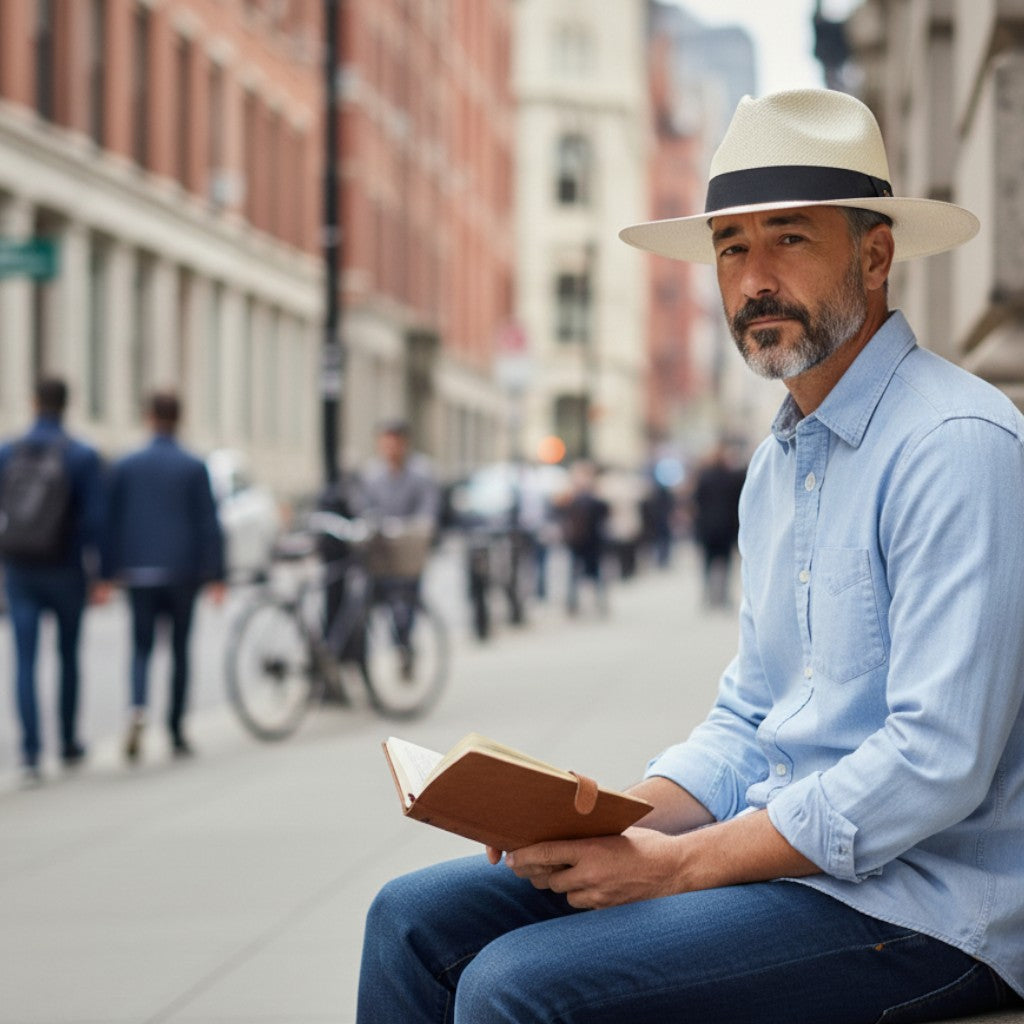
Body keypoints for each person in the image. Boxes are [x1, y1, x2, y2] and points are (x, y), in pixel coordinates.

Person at [356, 89, 1024, 1022]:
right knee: (411, 921)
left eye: (788, 239)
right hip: (790, 861)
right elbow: (751, 713)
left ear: (875, 256)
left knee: (518, 990)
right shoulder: (777, 465)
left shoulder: (956, 442)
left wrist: (679, 867)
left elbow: (936, 760)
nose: (753, 278)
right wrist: (604, 820)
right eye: (730, 246)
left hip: (929, 906)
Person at [101, 391, 225, 762]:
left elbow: (111, 522)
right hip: (183, 571)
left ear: (149, 416)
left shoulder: (125, 464)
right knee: (180, 651)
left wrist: (106, 573)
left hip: (138, 572)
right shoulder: (192, 465)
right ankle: (174, 729)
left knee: (141, 647)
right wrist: (217, 575)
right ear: (179, 417)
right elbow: (208, 523)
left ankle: (138, 706)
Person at [0, 378, 106, 784]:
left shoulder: (10, 451)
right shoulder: (81, 455)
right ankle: (66, 742)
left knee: (25, 661)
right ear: (67, 405)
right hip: (65, 567)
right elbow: (96, 520)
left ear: (33, 403)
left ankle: (30, 752)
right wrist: (101, 573)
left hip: (21, 567)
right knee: (67, 657)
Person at [350, 419, 439, 671]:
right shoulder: (372, 475)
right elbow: (362, 507)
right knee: (367, 599)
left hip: (407, 551)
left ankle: (404, 645)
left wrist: (413, 528)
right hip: (379, 550)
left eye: (395, 443)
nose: (390, 449)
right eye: (385, 444)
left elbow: (428, 512)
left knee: (405, 603)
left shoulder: (422, 473)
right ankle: (361, 657)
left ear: (405, 444)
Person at [689, 440, 746, 607]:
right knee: (726, 563)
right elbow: (739, 502)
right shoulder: (732, 477)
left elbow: (696, 501)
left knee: (707, 562)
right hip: (726, 527)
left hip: (707, 527)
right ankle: (723, 595)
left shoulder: (704, 477)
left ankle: (707, 594)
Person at [558, 459, 610, 616]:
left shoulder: (594, 497)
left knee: (595, 573)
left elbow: (604, 514)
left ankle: (599, 602)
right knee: (575, 574)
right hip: (577, 542)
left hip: (592, 541)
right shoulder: (570, 497)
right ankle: (573, 603)